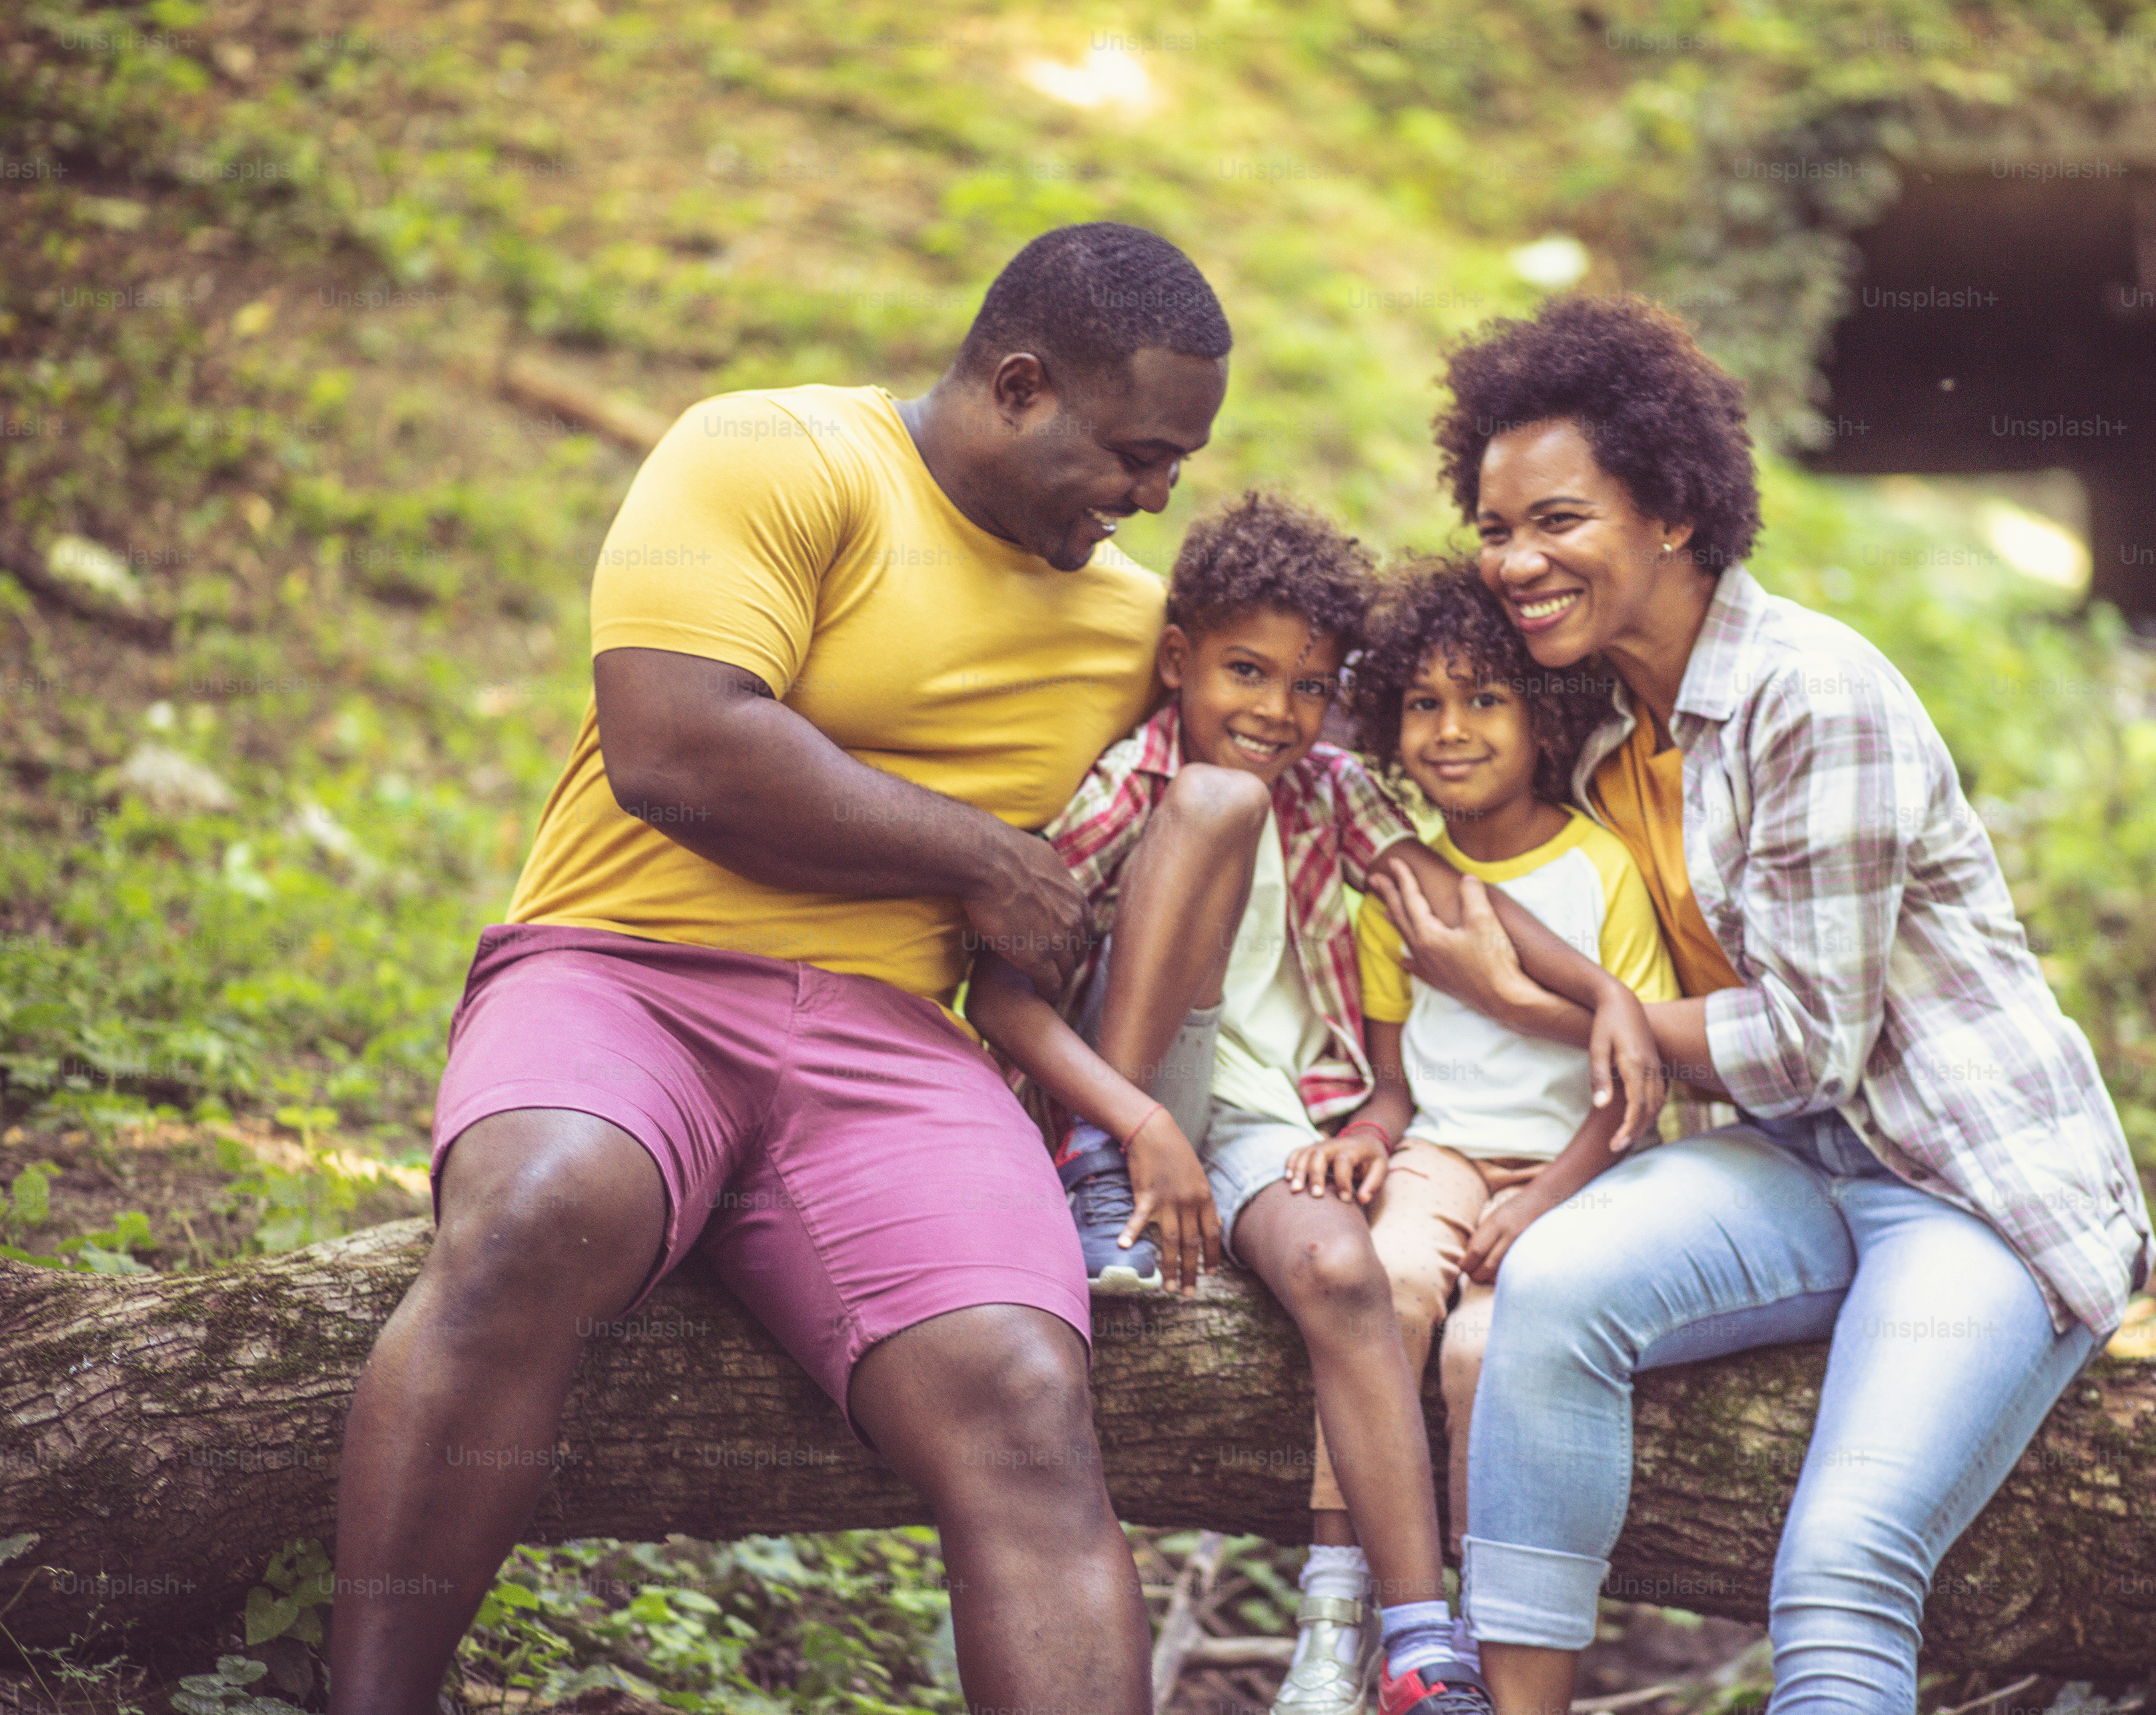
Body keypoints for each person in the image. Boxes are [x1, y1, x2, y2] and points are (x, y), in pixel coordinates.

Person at [329, 222, 1230, 1715]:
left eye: (1173, 470)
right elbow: (673, 747)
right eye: (1135, 454)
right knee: (541, 1209)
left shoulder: (1141, 625)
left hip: (891, 1054)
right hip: (624, 976)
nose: (1150, 498)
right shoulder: (775, 454)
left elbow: (1364, 774)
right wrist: (975, 854)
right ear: (1018, 387)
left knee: (1021, 1391)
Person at [1369, 295, 2156, 1715]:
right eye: (1494, 529)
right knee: (1543, 1291)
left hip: (1965, 1186)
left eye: (1555, 520)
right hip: (1792, 1167)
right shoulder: (1599, 723)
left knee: (1843, 1561)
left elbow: (1805, 1044)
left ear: (1669, 507)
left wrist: (1532, 1004)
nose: (1514, 562)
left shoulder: (1813, 698)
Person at [963, 497, 1664, 1715]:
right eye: (1245, 672)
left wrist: (1603, 990)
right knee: (1217, 803)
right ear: (1177, 660)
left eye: (1309, 686)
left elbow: (1456, 896)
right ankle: (1093, 1182)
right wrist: (1134, 1124)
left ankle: (1403, 1636)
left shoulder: (1334, 790)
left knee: (1348, 1272)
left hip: (1270, 1122)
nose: (1276, 713)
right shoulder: (1137, 781)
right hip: (1132, 1104)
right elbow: (1003, 998)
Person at [1291, 556, 1679, 1575]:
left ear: (1545, 718)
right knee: (1389, 1281)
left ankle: (1471, 1608)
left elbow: (1634, 1079)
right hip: (1442, 1155)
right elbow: (1391, 1082)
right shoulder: (1404, 884)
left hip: (1580, 1166)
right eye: (1421, 704)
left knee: (1480, 1351)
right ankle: (1345, 1587)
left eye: (1484, 699)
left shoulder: (1600, 871)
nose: (1449, 730)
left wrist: (1546, 1194)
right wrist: (1368, 1138)